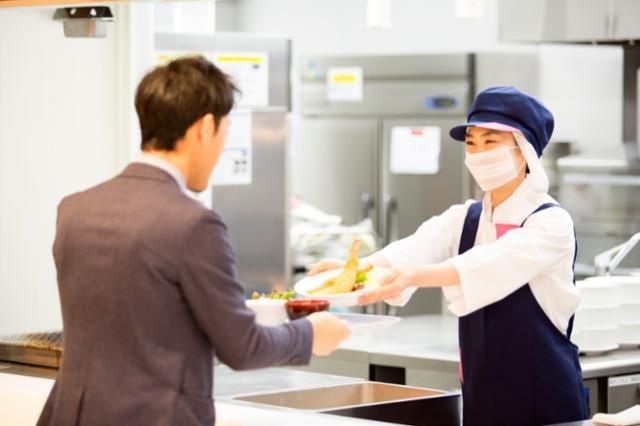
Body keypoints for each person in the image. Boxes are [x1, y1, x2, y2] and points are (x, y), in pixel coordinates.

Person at [37, 56, 350, 426]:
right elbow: (242, 347)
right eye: (225, 132)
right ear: (205, 127)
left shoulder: (74, 210)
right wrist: (310, 334)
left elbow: (142, 315)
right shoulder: (194, 224)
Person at [310, 86, 589, 426]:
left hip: (546, 405)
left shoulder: (550, 222)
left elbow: (492, 263)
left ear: (524, 151)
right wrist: (352, 271)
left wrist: (414, 276)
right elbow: (413, 249)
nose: (478, 153)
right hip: (482, 399)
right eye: (471, 143)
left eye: (490, 141)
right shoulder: (465, 218)